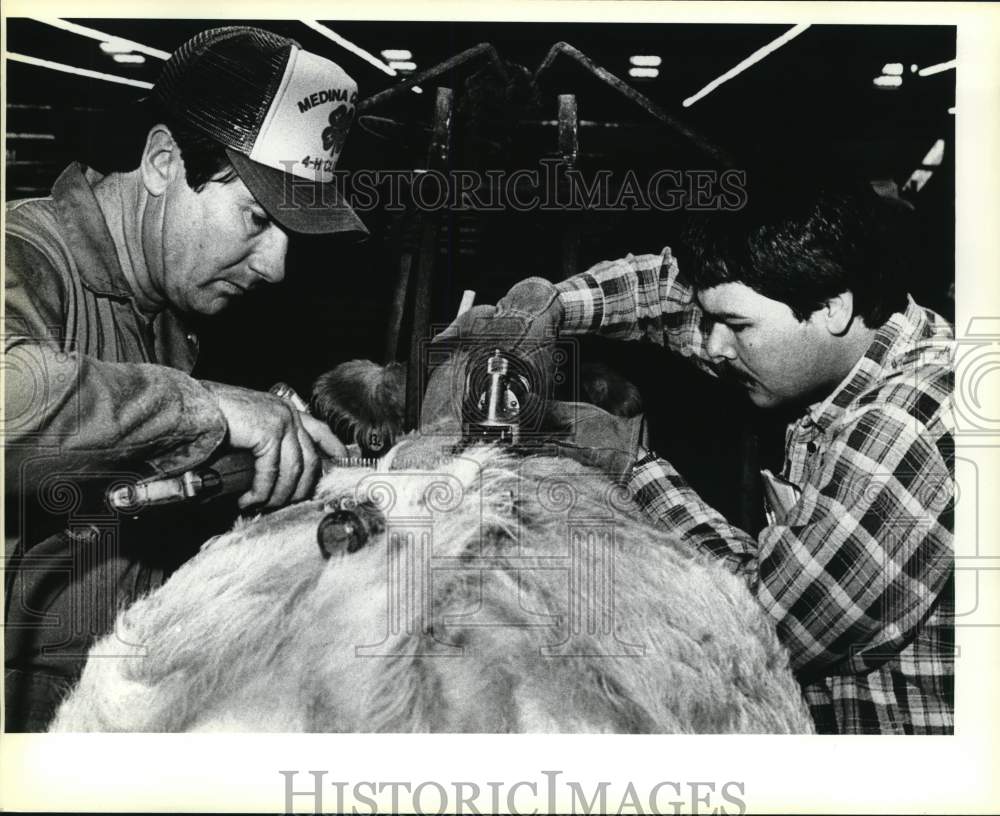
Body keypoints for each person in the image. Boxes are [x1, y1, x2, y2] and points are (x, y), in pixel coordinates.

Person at [440, 177, 954, 734]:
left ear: (833, 307)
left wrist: (633, 467)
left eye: (735, 327)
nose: (711, 346)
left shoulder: (904, 427)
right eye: (713, 322)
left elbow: (761, 631)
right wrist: (553, 304)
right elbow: (671, 292)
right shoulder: (842, 333)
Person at [4, 26, 366, 730]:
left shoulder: (169, 311)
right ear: (166, 160)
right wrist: (207, 410)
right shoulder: (24, 259)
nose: (275, 267)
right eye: (256, 218)